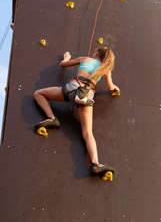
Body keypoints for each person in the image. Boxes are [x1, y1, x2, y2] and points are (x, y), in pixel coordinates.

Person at [33, 46, 119, 176]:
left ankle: (52, 118)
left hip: (73, 88)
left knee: (38, 94)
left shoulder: (85, 59)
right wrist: (116, 90)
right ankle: (95, 163)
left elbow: (63, 64)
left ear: (96, 53)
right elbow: (111, 87)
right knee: (88, 133)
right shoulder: (106, 70)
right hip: (87, 95)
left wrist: (66, 57)